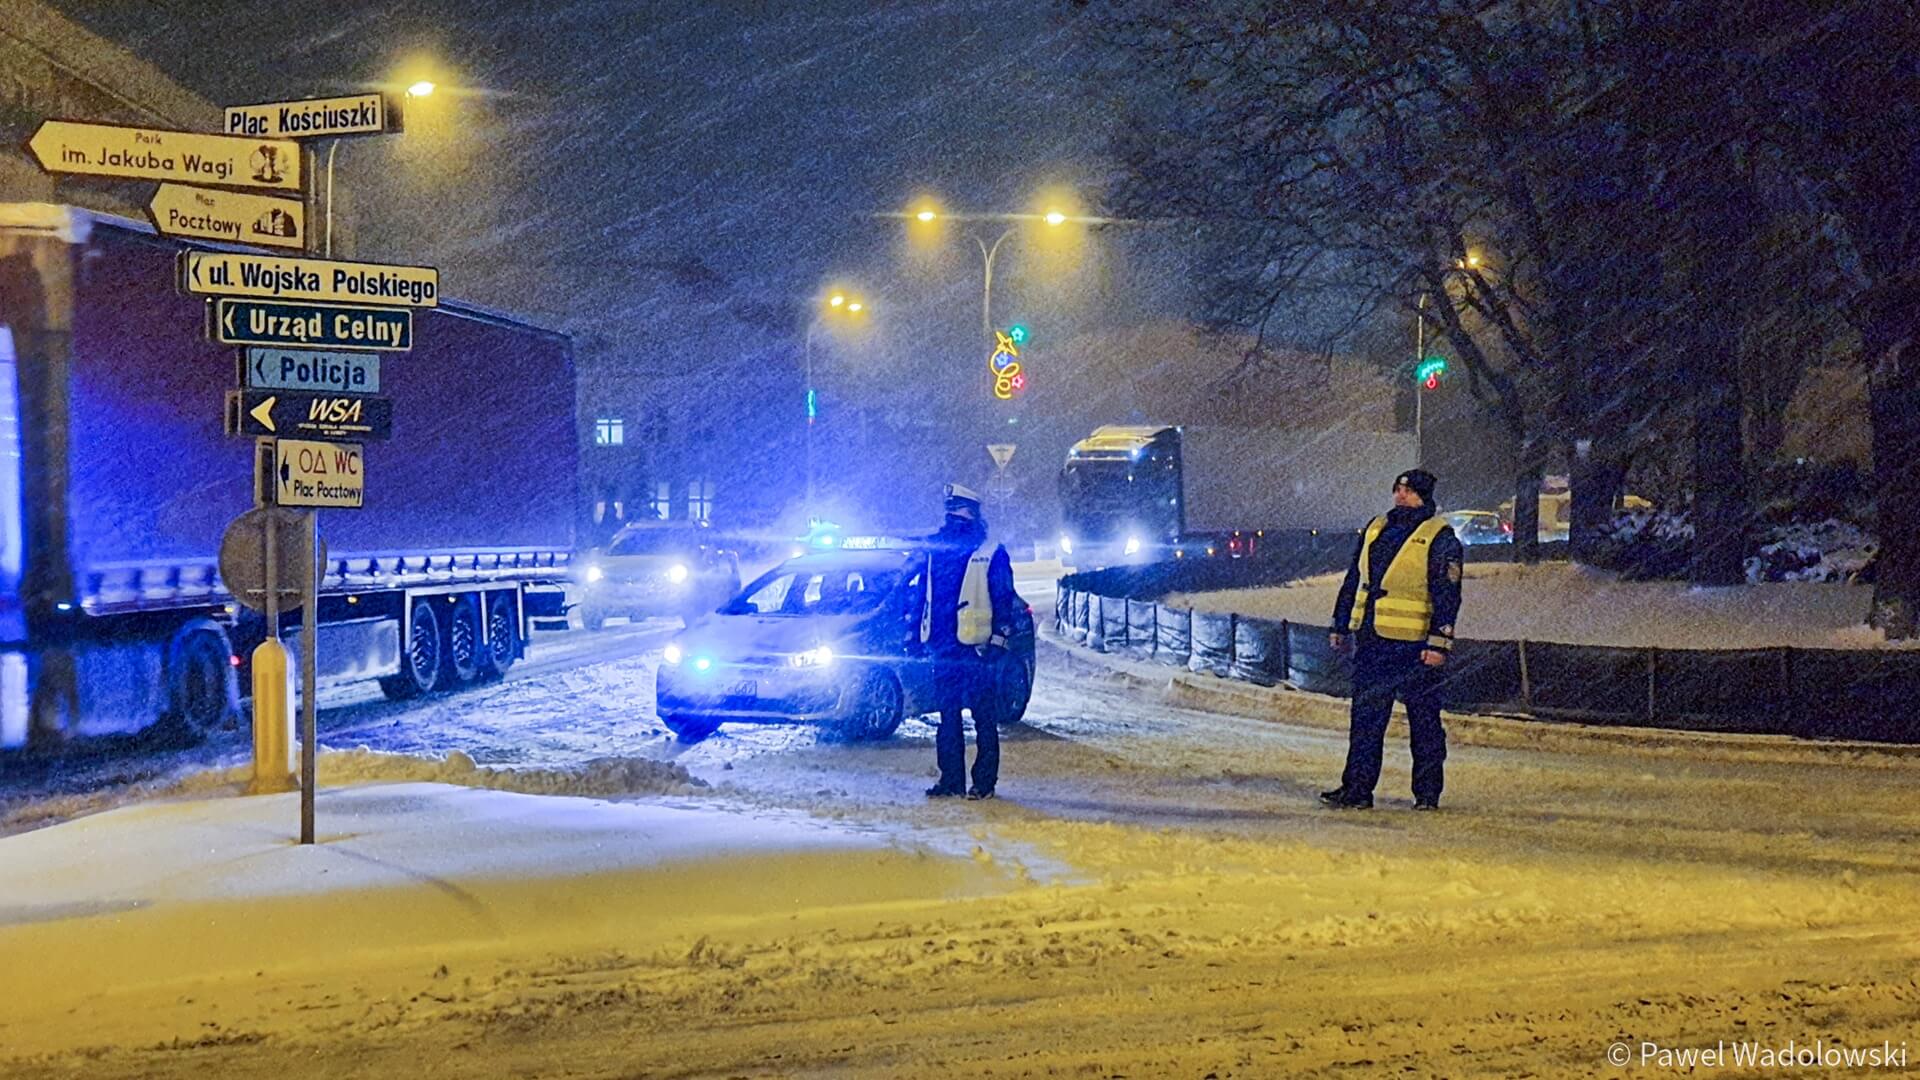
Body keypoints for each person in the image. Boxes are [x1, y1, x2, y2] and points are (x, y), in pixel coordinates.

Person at [1320, 468, 1463, 811]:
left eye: (1409, 491)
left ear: (1424, 497)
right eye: (1398, 489)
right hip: (1373, 641)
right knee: (1366, 719)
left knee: (1425, 722)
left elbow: (1448, 593)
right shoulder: (1376, 528)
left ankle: (1427, 795)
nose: (1401, 496)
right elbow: (1355, 578)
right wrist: (1341, 624)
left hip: (1416, 648)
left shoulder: (1439, 537)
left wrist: (1438, 642)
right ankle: (1356, 790)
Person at [921, 482, 1017, 800]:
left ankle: (984, 783)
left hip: (978, 647)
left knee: (983, 718)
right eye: (950, 509)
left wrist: (1000, 638)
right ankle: (951, 780)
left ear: (973, 513)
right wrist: (918, 632)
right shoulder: (937, 549)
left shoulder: (990, 551)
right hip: (945, 644)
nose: (953, 515)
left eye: (959, 509)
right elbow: (923, 594)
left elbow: (1004, 599)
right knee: (948, 717)